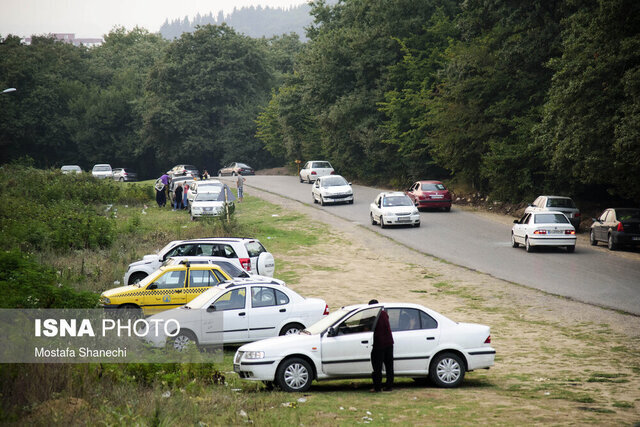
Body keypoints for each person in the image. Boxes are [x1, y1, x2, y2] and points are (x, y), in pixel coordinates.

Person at [369, 299, 394, 392]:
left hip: (379, 344)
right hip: (389, 343)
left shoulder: (373, 316)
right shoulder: (384, 314)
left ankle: (377, 387)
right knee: (389, 366)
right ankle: (389, 386)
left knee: (377, 367)